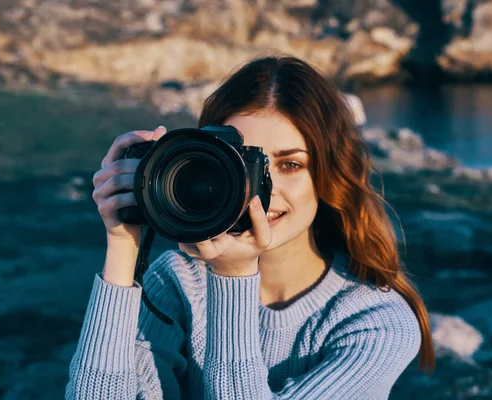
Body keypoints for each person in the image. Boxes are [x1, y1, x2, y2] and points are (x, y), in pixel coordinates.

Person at [65, 55, 435, 399]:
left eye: (290, 165)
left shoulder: (377, 321)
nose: (262, 189)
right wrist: (122, 244)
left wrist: (235, 278)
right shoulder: (178, 283)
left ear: (328, 175)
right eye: (243, 163)